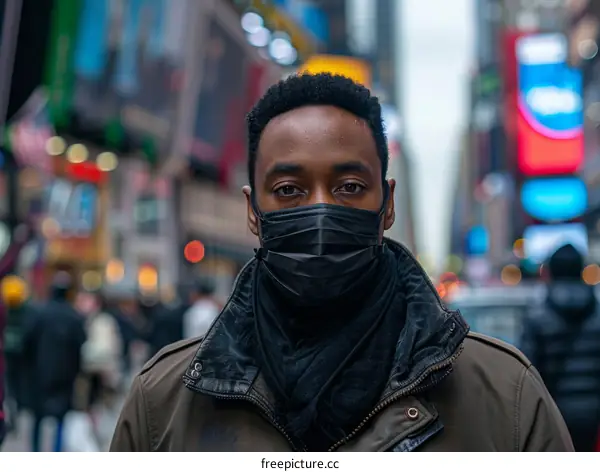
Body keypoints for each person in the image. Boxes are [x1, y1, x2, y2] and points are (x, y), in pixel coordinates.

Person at [110, 73, 573, 452]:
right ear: (253, 212)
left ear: (386, 203)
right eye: (289, 190)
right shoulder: (163, 404)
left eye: (349, 187)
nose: (320, 211)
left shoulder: (506, 399)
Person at [521, 243, 600, 451]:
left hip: (554, 411)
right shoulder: (597, 314)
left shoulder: (538, 317)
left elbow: (529, 371)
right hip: (593, 414)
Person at [22, 272, 86, 452]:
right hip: (65, 375)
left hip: (39, 373)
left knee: (37, 418)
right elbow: (81, 346)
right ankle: (56, 453)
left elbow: (26, 343)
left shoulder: (39, 314)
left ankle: (35, 453)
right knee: (61, 420)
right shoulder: (74, 317)